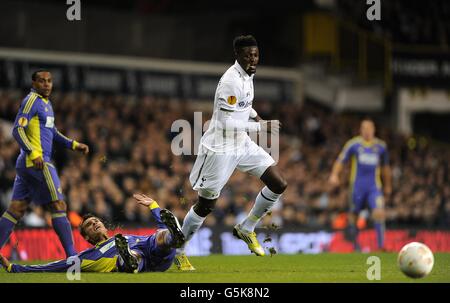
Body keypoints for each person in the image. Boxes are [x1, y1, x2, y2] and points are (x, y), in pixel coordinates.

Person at [175, 35, 288, 270]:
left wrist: (257, 118)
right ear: (237, 55)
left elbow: (245, 106)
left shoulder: (248, 76)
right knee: (206, 205)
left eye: (255, 55)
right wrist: (261, 127)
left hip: (241, 143)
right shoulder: (230, 81)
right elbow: (225, 123)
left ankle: (246, 228)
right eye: (248, 55)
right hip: (219, 148)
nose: (253, 59)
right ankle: (179, 249)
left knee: (278, 183)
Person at [0, 70, 89, 257]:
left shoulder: (46, 104)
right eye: (42, 81)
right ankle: (73, 257)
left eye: (49, 81)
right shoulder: (31, 101)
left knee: (16, 209)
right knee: (58, 206)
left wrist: (74, 144)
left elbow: (53, 132)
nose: (47, 84)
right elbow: (17, 129)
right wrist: (33, 153)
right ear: (34, 83)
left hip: (27, 164)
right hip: (38, 162)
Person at [0, 194, 185, 273]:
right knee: (132, 256)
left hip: (156, 250)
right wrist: (14, 268)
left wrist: (153, 206)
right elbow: (55, 266)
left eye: (96, 220)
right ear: (87, 237)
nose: (94, 222)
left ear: (105, 226)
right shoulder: (90, 256)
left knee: (161, 236)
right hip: (141, 262)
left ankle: (174, 237)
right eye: (89, 224)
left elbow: (161, 222)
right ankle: (129, 260)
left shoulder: (126, 236)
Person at [329, 119, 392, 251]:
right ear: (361, 130)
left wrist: (387, 185)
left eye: (370, 128)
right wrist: (335, 174)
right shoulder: (354, 145)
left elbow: (386, 168)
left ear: (374, 130)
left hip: (374, 187)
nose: (367, 131)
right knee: (354, 215)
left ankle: (381, 247)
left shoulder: (381, 146)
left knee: (379, 212)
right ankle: (355, 246)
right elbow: (341, 160)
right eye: (364, 128)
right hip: (357, 187)